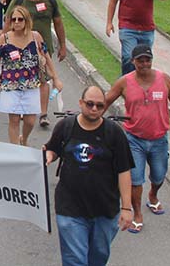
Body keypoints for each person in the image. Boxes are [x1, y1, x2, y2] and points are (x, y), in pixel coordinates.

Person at [43, 85, 135, 266]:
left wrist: (126, 208)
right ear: (81, 103)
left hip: (105, 211)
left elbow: (124, 171)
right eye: (90, 104)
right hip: (70, 208)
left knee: (98, 258)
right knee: (75, 260)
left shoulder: (114, 133)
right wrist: (49, 155)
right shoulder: (66, 126)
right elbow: (52, 149)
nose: (94, 109)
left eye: (99, 106)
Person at [103, 45, 170, 234]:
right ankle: (137, 214)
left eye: (147, 60)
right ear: (132, 61)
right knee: (135, 180)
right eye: (140, 60)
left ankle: (153, 195)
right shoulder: (124, 82)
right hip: (134, 140)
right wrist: (93, 123)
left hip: (159, 139)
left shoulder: (164, 79)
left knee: (159, 175)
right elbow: (106, 101)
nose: (144, 64)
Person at [0, 6, 62, 145]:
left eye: (20, 19)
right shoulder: (4, 39)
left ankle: (24, 139)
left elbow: (47, 57)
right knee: (14, 120)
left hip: (31, 84)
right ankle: (15, 150)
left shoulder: (35, 37)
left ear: (26, 20)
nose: (16, 22)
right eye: (13, 19)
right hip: (10, 85)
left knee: (30, 121)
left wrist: (56, 78)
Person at [6, 0, 68, 128]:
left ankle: (43, 114)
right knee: (22, 79)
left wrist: (63, 45)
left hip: (43, 49)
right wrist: (5, 44)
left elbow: (58, 23)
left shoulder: (49, 0)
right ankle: (22, 109)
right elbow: (8, 22)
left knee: (43, 80)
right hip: (21, 48)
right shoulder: (19, 0)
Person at [106, 0, 167, 75]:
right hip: (128, 28)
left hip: (147, 29)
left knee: (144, 61)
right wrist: (109, 22)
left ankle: (141, 83)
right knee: (129, 57)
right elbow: (113, 1)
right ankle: (127, 82)